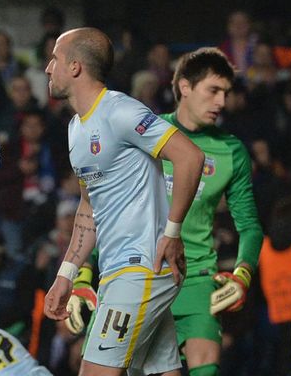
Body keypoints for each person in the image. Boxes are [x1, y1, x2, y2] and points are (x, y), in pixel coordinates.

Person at [42, 27, 205, 376]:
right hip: (118, 271)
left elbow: (190, 157)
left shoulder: (120, 111)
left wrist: (173, 233)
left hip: (141, 266)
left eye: (54, 59)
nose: (47, 68)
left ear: (74, 67)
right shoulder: (76, 128)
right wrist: (66, 274)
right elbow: (89, 206)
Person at [159, 48, 263, 376]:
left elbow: (249, 225)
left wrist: (242, 274)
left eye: (226, 93)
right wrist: (86, 272)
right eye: (213, 91)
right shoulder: (146, 133)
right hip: (144, 278)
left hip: (198, 277)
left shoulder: (231, 150)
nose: (221, 102)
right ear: (185, 87)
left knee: (207, 370)